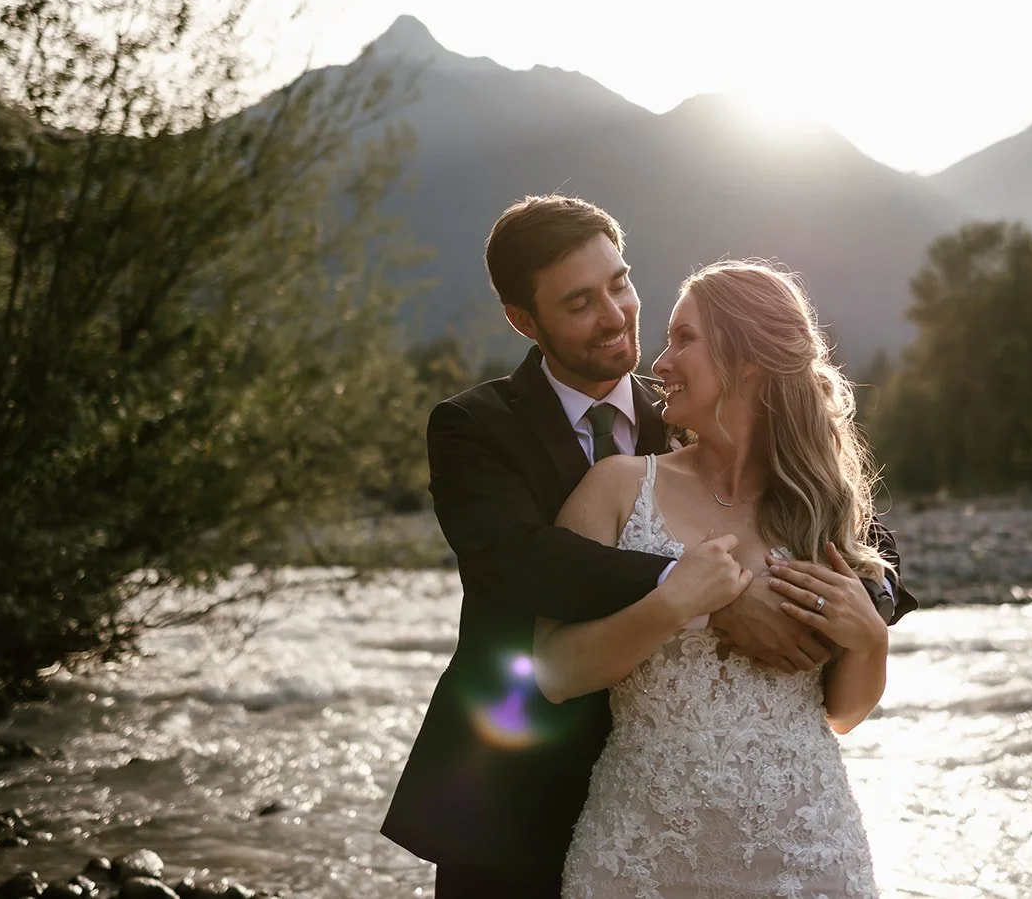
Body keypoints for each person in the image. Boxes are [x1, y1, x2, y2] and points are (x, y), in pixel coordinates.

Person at [379, 196, 913, 898]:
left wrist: (855, 611)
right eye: (579, 302)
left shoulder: (695, 408)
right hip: (521, 785)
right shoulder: (475, 427)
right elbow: (516, 563)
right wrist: (710, 595)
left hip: (733, 804)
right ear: (524, 320)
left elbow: (863, 542)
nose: (616, 313)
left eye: (620, 283)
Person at [534, 259, 894, 898]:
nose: (660, 362)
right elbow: (555, 673)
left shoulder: (819, 506)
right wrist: (674, 604)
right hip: (642, 857)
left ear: (748, 359)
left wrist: (870, 641)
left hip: (804, 855)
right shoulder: (618, 488)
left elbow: (840, 713)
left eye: (685, 338)